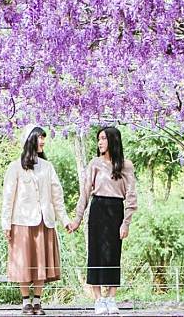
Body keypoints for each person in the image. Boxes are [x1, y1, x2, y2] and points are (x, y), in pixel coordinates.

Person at [2, 125, 72, 316]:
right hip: (22, 222)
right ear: (30, 140)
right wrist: (5, 224)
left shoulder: (47, 167)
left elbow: (57, 195)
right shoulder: (15, 167)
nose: (42, 141)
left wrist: (64, 220)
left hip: (44, 221)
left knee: (40, 262)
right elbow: (8, 197)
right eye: (40, 137)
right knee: (25, 262)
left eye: (44, 138)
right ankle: (26, 302)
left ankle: (38, 302)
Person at [68, 126, 138, 315]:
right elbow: (84, 192)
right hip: (98, 208)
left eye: (103, 138)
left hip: (116, 210)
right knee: (96, 253)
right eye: (98, 139)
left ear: (113, 141)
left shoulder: (126, 165)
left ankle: (111, 298)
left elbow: (131, 195)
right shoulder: (95, 163)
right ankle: (98, 299)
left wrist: (126, 222)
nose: (100, 142)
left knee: (114, 254)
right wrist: (77, 218)